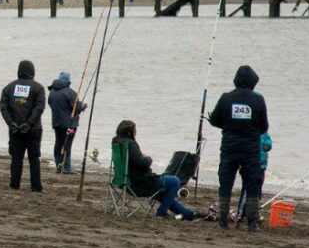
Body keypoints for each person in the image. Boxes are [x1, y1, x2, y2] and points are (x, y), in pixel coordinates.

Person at [208, 65, 269, 230]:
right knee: (252, 184)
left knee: (226, 184)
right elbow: (264, 126)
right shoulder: (258, 100)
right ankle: (252, 223)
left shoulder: (226, 98)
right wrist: (250, 130)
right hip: (250, 150)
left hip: (229, 148)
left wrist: (230, 126)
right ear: (253, 82)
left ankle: (222, 222)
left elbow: (214, 120)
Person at [114, 120, 197, 220]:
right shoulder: (131, 145)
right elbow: (143, 164)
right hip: (142, 184)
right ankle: (161, 213)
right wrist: (148, 158)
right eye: (134, 131)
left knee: (163, 193)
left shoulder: (117, 144)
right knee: (175, 181)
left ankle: (188, 214)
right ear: (130, 132)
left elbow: (133, 163)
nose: (136, 133)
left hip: (125, 183)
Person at [0, 60, 46, 192]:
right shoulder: (38, 88)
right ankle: (36, 186)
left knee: (16, 158)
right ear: (32, 71)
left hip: (15, 129)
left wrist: (11, 123)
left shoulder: (9, 88)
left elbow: (4, 107)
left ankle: (14, 184)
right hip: (33, 129)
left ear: (19, 71)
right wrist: (29, 123)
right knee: (34, 158)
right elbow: (39, 107)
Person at [48, 71, 86, 174]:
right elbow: (77, 108)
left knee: (58, 143)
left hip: (56, 123)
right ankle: (67, 168)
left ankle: (59, 166)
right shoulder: (70, 92)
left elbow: (51, 104)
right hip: (70, 124)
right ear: (68, 80)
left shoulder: (52, 92)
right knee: (67, 145)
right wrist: (82, 106)